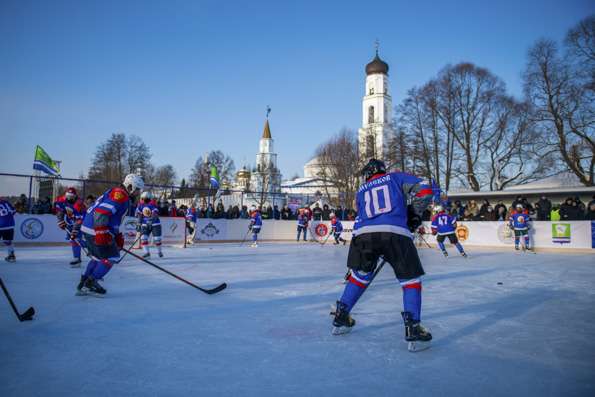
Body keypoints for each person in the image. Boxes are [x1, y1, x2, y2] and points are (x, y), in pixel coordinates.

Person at [331, 158, 433, 352]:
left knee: (360, 276)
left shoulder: (361, 190)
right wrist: (414, 213)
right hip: (395, 233)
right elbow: (426, 189)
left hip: (363, 235)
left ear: (370, 173)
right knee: (410, 280)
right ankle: (413, 327)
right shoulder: (394, 178)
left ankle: (341, 315)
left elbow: (362, 216)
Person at [77, 174, 144, 296]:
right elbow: (101, 213)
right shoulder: (120, 195)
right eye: (137, 189)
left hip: (91, 228)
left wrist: (117, 236)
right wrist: (101, 233)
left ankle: (83, 283)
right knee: (112, 257)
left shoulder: (118, 193)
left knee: (98, 258)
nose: (138, 193)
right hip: (96, 229)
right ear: (130, 187)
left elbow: (114, 218)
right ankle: (90, 283)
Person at [54, 187, 87, 267]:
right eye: (68, 195)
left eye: (71, 196)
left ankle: (77, 258)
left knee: (75, 239)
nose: (69, 197)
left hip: (82, 222)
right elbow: (60, 211)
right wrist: (60, 220)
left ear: (75, 196)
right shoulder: (62, 200)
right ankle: (79, 256)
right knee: (73, 240)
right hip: (70, 222)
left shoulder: (79, 205)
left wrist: (75, 230)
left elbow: (79, 220)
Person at [135, 191, 163, 258]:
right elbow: (139, 215)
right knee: (143, 238)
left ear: (147, 198)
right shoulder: (140, 205)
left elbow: (155, 213)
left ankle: (159, 251)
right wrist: (139, 223)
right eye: (141, 198)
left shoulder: (152, 204)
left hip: (155, 224)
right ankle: (147, 253)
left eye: (143, 198)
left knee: (157, 239)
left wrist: (151, 220)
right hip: (145, 224)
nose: (141, 200)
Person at [0, 198, 17, 262]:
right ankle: (11, 256)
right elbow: (14, 211)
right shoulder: (6, 202)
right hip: (10, 224)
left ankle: (11, 255)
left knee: (7, 241)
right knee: (8, 241)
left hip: (1, 225)